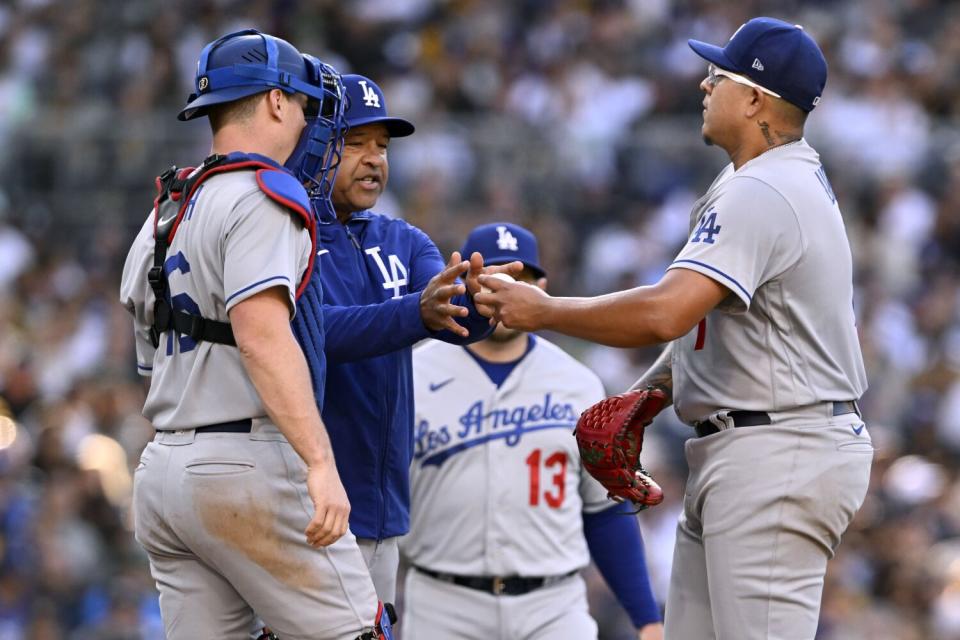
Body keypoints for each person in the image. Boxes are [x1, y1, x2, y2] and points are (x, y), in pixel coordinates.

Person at [475, 17, 873, 640]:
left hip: (781, 447)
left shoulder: (765, 189)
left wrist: (544, 311)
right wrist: (652, 394)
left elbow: (667, 310)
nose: (703, 86)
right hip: (755, 439)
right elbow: (719, 320)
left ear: (754, 99)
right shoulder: (760, 177)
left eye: (719, 76)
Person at [120, 30, 390, 640]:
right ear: (274, 102)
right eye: (299, 104)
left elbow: (144, 351)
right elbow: (262, 337)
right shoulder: (263, 195)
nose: (305, 121)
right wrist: (320, 462)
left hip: (164, 471)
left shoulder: (166, 209)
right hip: (245, 463)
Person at [289, 73, 508, 603]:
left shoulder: (402, 238)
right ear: (318, 147)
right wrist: (420, 312)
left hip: (383, 506)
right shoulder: (289, 233)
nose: (374, 158)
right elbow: (320, 332)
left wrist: (480, 301)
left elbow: (448, 310)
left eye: (382, 146)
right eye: (356, 143)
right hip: (311, 502)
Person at [401, 222, 664, 640]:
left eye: (519, 281)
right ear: (464, 285)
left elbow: (605, 510)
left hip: (553, 607)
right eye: (493, 278)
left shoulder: (578, 383)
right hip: (442, 602)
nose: (506, 292)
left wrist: (647, 618)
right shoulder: (413, 374)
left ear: (541, 287)